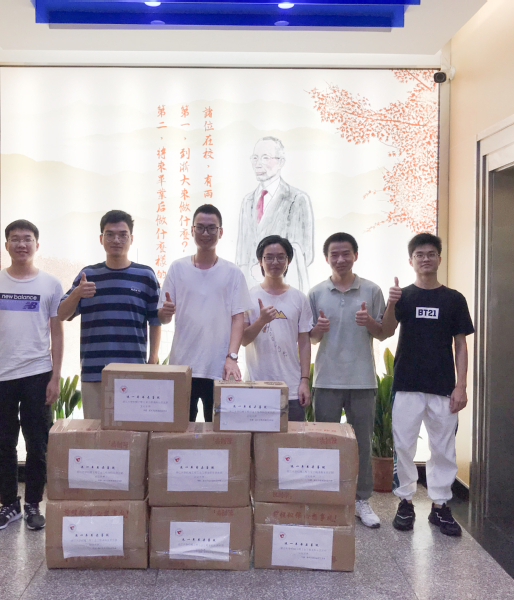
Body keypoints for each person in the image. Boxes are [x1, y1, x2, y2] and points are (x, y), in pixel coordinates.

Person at [0, 219, 63, 532]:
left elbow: (57, 332)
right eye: (15, 239)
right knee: (2, 441)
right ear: (7, 244)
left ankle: (34, 503)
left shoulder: (50, 284)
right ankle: (10, 504)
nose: (21, 244)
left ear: (37, 244)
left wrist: (56, 376)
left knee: (38, 442)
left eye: (27, 239)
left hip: (38, 373)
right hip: (0, 374)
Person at [381, 232, 475, 537]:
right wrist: (390, 303)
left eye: (431, 254)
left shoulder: (454, 299)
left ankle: (440, 506)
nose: (425, 259)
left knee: (443, 449)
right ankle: (405, 502)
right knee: (404, 446)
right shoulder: (404, 296)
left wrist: (461, 386)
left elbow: (461, 345)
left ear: (439, 258)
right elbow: (385, 331)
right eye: (419, 254)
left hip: (443, 386)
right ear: (411, 260)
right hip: (407, 384)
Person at [309, 232, 386, 528]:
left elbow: (382, 333)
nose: (340, 259)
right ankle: (326, 499)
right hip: (326, 379)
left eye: (346, 253)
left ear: (355, 255)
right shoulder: (316, 292)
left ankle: (361, 500)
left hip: (362, 379)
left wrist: (370, 322)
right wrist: (318, 329)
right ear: (326, 258)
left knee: (362, 445)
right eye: (334, 254)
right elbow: (312, 338)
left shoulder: (372, 290)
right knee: (323, 443)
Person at [56, 210, 161, 419]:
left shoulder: (146, 276)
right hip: (95, 372)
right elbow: (61, 314)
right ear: (101, 239)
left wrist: (153, 361)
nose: (116, 240)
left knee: (132, 432)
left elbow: (155, 320)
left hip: (133, 372)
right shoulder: (88, 275)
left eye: (122, 235)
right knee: (95, 433)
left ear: (131, 238)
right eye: (110, 234)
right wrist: (77, 293)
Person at [158, 204, 253, 421]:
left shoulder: (233, 273)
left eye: (211, 228)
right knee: (180, 430)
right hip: (182, 366)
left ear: (221, 232)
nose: (205, 233)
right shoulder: (177, 268)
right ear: (192, 230)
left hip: (219, 368)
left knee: (219, 432)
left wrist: (232, 357)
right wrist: (165, 312)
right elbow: (163, 318)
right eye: (200, 227)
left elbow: (238, 319)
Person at [241, 235, 312, 421]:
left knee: (293, 438)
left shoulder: (299, 298)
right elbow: (243, 340)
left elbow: (304, 343)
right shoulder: (249, 296)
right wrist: (261, 321)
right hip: (256, 385)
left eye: (281, 257)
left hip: (291, 387)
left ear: (288, 261)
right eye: (269, 257)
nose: (275, 262)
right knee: (257, 438)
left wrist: (304, 381)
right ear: (260, 261)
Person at [235, 136, 314, 292]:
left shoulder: (297, 199)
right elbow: (241, 253)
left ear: (281, 162)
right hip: (249, 290)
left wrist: (268, 269)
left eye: (265, 158)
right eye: (255, 158)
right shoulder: (247, 201)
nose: (258, 163)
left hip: (283, 289)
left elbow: (304, 253)